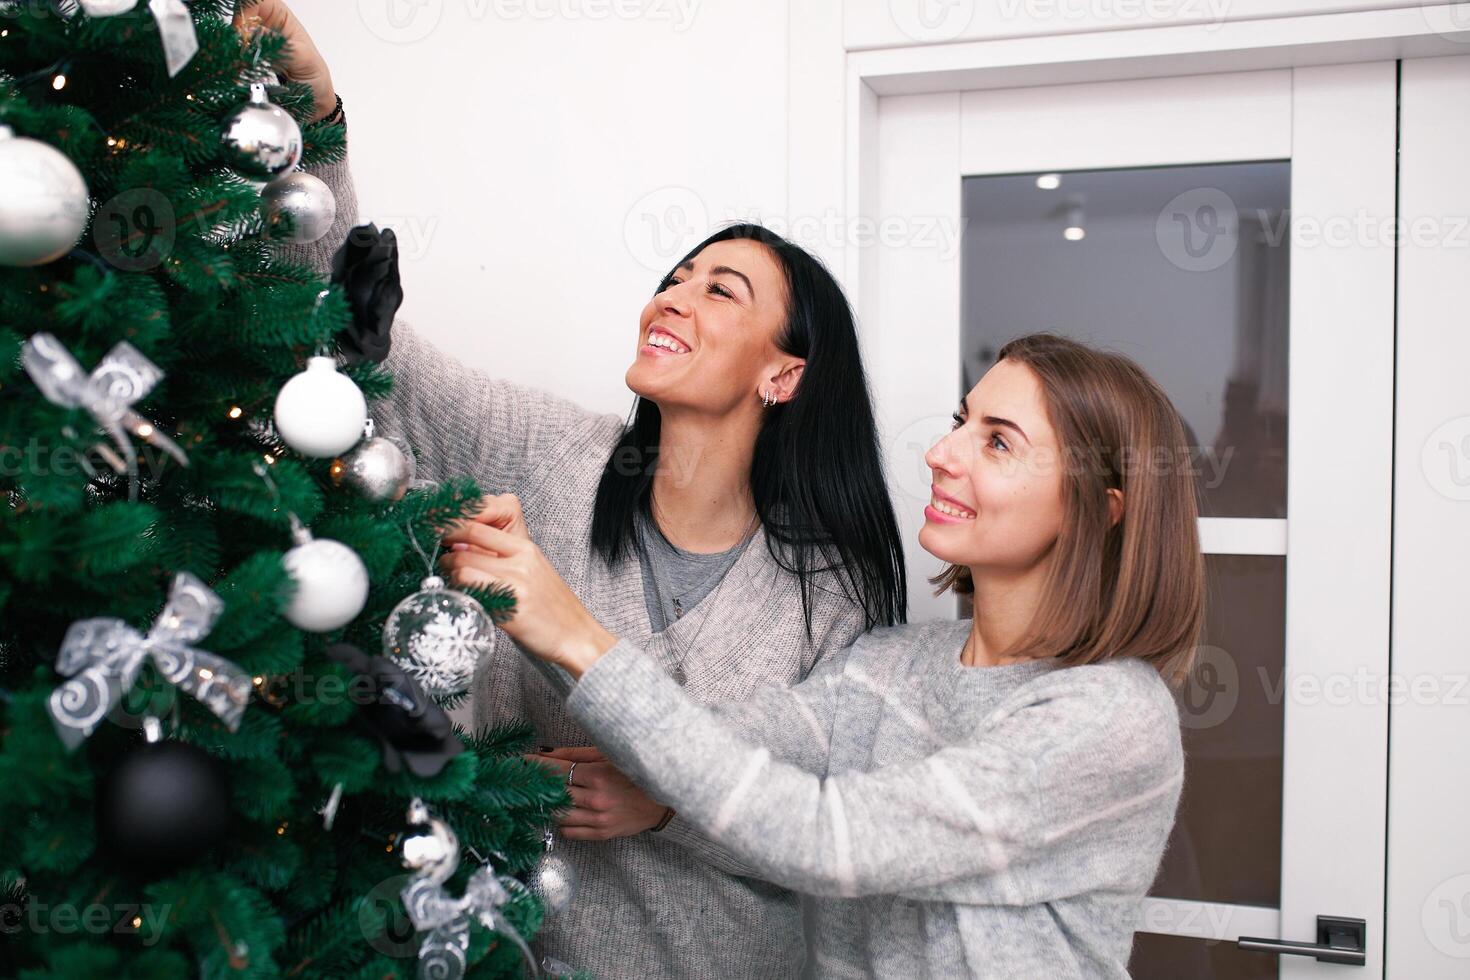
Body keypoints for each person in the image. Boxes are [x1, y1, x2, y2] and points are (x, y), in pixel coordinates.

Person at [241, 3, 909, 975]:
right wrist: (324, 122)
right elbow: (362, 343)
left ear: (784, 372)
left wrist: (669, 803)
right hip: (508, 951)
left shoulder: (830, 591)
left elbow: (837, 824)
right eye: (673, 276)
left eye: (721, 289)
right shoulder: (549, 453)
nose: (672, 296)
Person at [444, 333, 1205, 978]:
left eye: (998, 442)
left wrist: (575, 632)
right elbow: (708, 734)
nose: (941, 454)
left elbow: (827, 840)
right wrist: (520, 586)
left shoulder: (1109, 718)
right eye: (959, 423)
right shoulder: (891, 669)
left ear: (1100, 511)